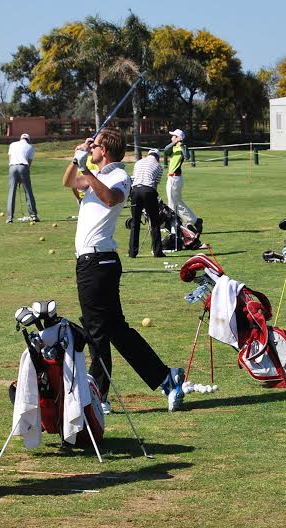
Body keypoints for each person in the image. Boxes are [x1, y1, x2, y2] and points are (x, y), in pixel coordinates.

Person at [62, 128, 186, 412]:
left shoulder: (118, 176)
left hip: (98, 263)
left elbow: (110, 199)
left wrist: (87, 169)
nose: (91, 149)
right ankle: (166, 378)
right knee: (117, 331)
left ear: (104, 151)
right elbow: (68, 181)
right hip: (92, 263)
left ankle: (99, 397)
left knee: (96, 331)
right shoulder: (98, 175)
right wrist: (76, 158)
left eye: (94, 146)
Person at [163, 128, 202, 235]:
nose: (171, 138)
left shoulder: (182, 147)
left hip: (175, 178)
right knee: (177, 202)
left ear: (178, 137)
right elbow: (165, 150)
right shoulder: (173, 147)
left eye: (173, 136)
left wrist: (182, 145)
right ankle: (195, 221)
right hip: (172, 178)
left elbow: (187, 156)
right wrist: (175, 142)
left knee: (172, 204)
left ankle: (174, 230)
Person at [128, 148, 166, 258]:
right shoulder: (158, 166)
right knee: (154, 222)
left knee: (135, 222)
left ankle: (132, 252)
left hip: (135, 191)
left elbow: (133, 179)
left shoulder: (138, 162)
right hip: (148, 190)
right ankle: (157, 251)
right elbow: (155, 185)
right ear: (157, 157)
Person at [6, 133, 39, 223]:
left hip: (12, 167)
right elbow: (29, 163)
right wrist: (22, 176)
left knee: (11, 192)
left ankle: (9, 218)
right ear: (28, 140)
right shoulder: (31, 147)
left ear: (20, 139)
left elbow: (10, 158)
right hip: (23, 167)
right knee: (28, 192)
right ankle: (33, 216)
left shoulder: (12, 144)